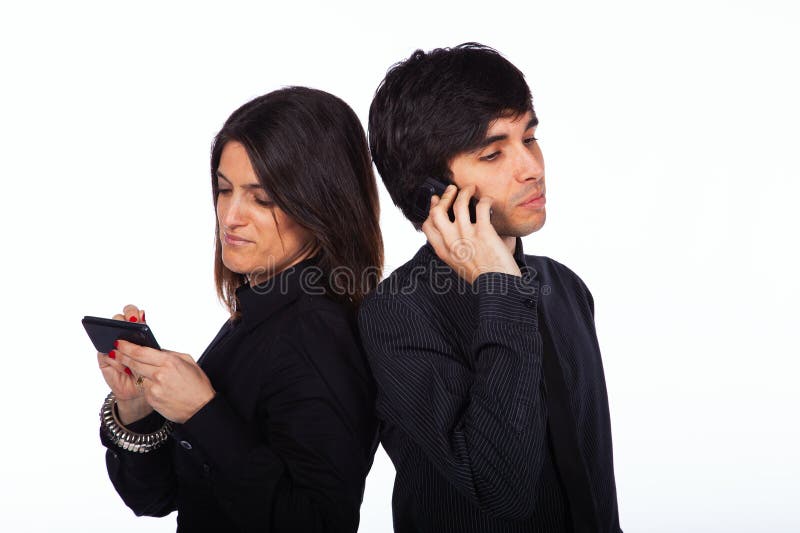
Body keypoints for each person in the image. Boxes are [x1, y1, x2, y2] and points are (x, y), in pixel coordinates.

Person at [359, 43, 622, 532]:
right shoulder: (397, 314)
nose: (531, 167)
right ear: (432, 189)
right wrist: (498, 289)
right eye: (493, 152)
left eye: (531, 137)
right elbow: (503, 489)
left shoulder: (566, 289)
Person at [96, 86, 384, 532]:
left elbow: (321, 522)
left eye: (262, 198)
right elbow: (160, 497)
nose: (230, 217)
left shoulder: (317, 332)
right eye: (224, 190)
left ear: (322, 204)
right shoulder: (261, 313)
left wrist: (203, 413)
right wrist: (137, 408)